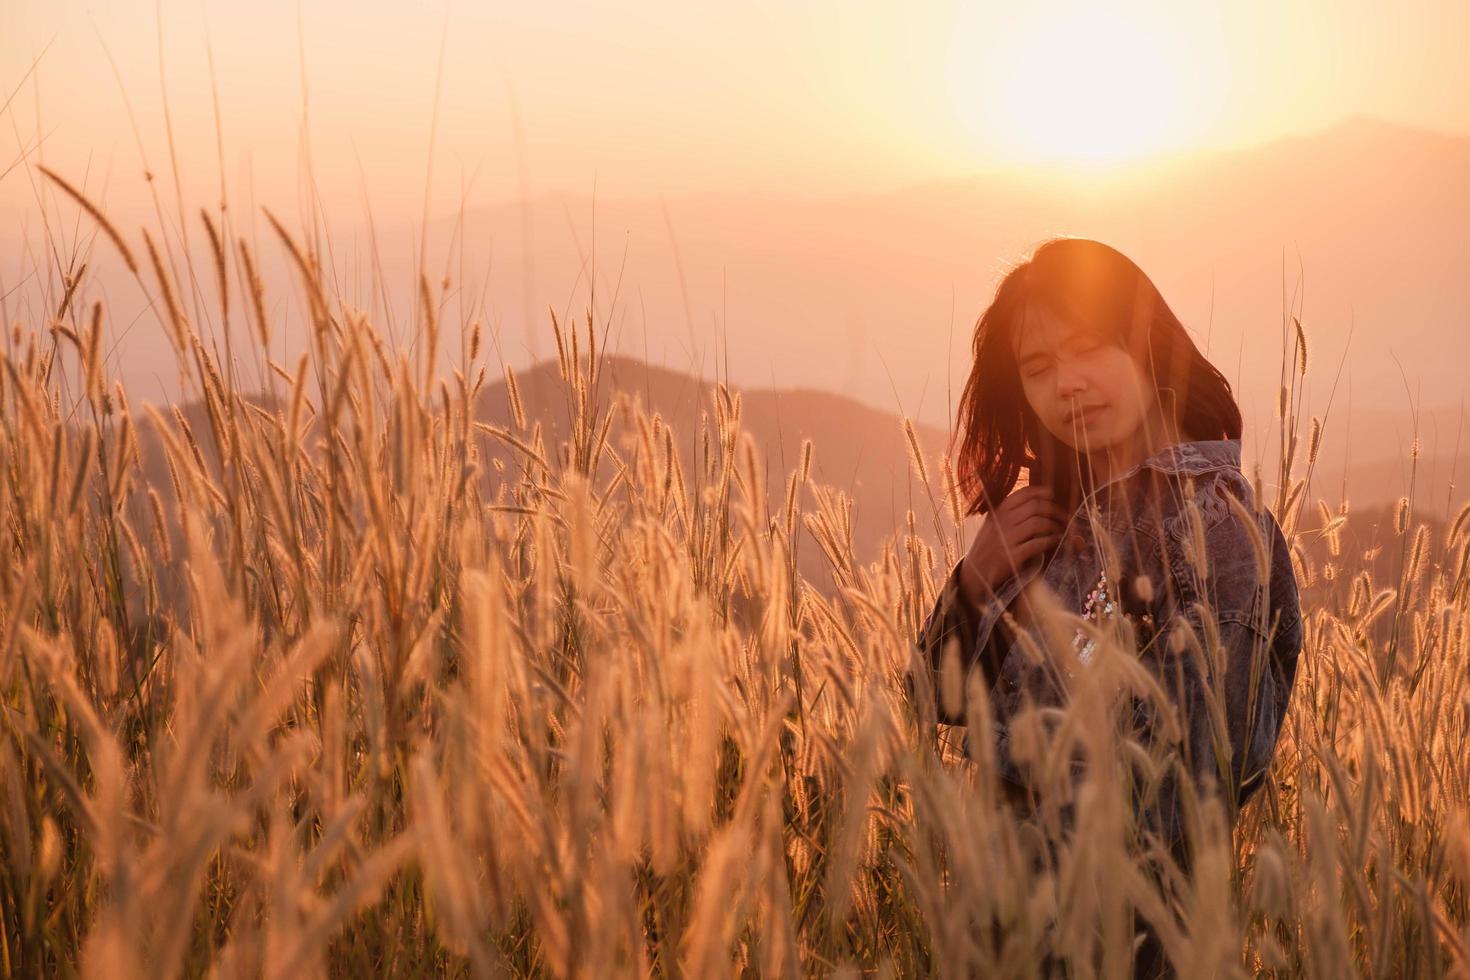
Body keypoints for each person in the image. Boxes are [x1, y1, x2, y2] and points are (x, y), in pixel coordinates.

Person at [914, 237, 1304, 978]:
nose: (1067, 384)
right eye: (1037, 368)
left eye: (1088, 348)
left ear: (1146, 341)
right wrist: (972, 581)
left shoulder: (1214, 537)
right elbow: (930, 699)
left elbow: (1198, 785)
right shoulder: (1053, 523)